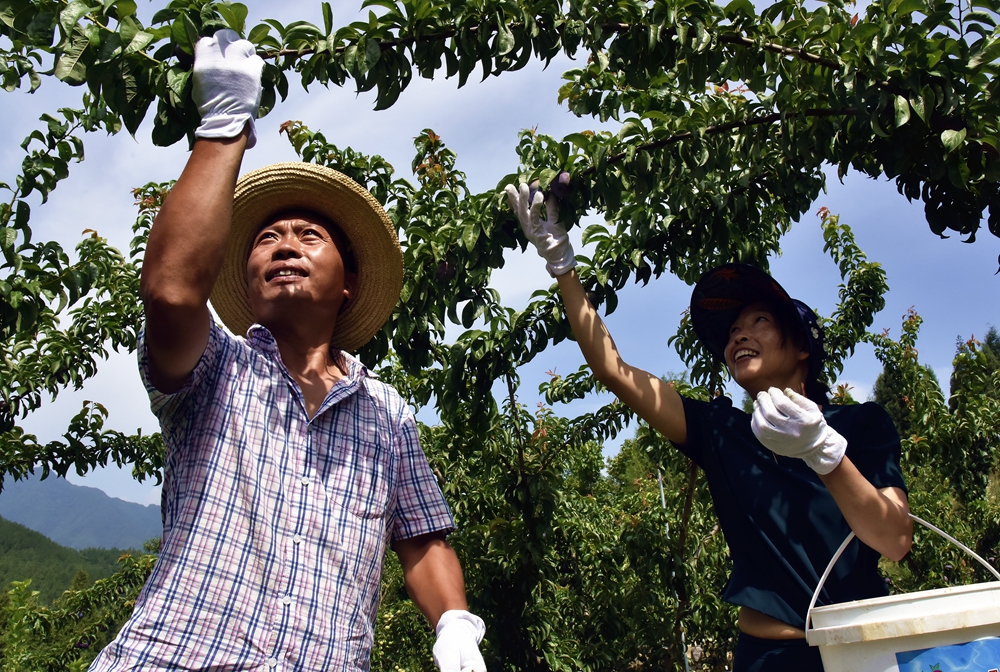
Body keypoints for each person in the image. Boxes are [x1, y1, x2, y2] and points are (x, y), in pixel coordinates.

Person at [89, 30, 486, 672]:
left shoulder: (386, 415)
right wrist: (223, 131)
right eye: (266, 237)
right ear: (245, 275)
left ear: (349, 282)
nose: (283, 245)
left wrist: (454, 623)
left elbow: (421, 536)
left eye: (309, 235)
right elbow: (169, 293)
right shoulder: (218, 368)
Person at [505, 183, 913, 671]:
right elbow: (614, 371)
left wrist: (823, 451)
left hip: (860, 654)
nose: (739, 334)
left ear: (802, 346)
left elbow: (895, 540)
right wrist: (564, 269)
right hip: (766, 657)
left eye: (759, 320)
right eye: (732, 331)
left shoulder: (861, 425)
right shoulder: (723, 432)